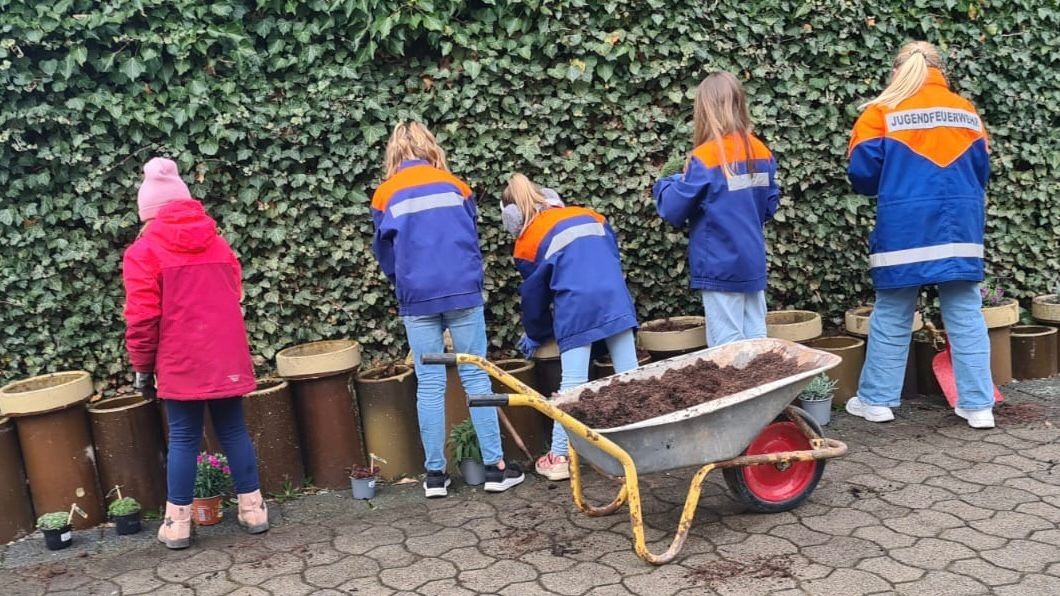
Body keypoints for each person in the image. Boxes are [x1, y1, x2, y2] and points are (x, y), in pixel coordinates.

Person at [845, 41, 994, 429]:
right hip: (961, 224)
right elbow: (982, 169)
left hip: (904, 225)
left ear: (897, 71)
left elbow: (863, 175)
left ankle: (877, 401)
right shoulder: (965, 111)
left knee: (893, 311)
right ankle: (978, 406)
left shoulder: (882, 111)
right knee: (965, 311)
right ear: (940, 70)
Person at [371, 122, 524, 497]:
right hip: (462, 292)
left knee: (429, 384)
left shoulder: (385, 194)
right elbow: (470, 237)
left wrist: (403, 283)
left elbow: (384, 252)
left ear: (394, 153)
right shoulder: (457, 186)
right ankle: (495, 469)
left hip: (417, 297)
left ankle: (435, 476)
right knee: (476, 377)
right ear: (431, 147)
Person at [122, 157, 268, 549]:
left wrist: (142, 368)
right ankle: (254, 509)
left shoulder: (143, 252)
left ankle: (178, 524)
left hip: (180, 359)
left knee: (184, 437)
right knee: (233, 429)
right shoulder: (219, 244)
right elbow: (234, 293)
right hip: (226, 356)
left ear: (147, 212)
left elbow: (142, 319)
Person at [502, 174, 640, 481]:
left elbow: (534, 297)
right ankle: (638, 447)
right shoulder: (592, 216)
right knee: (630, 375)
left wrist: (536, 334)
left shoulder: (528, 242)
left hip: (576, 309)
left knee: (573, 385)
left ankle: (559, 457)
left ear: (511, 217)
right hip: (616, 300)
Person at [652, 72, 781, 347]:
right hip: (752, 261)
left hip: (720, 264)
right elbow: (770, 205)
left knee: (726, 348)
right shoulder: (760, 151)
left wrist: (667, 181)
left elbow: (673, 209)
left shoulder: (706, 157)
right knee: (758, 341)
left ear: (705, 109)